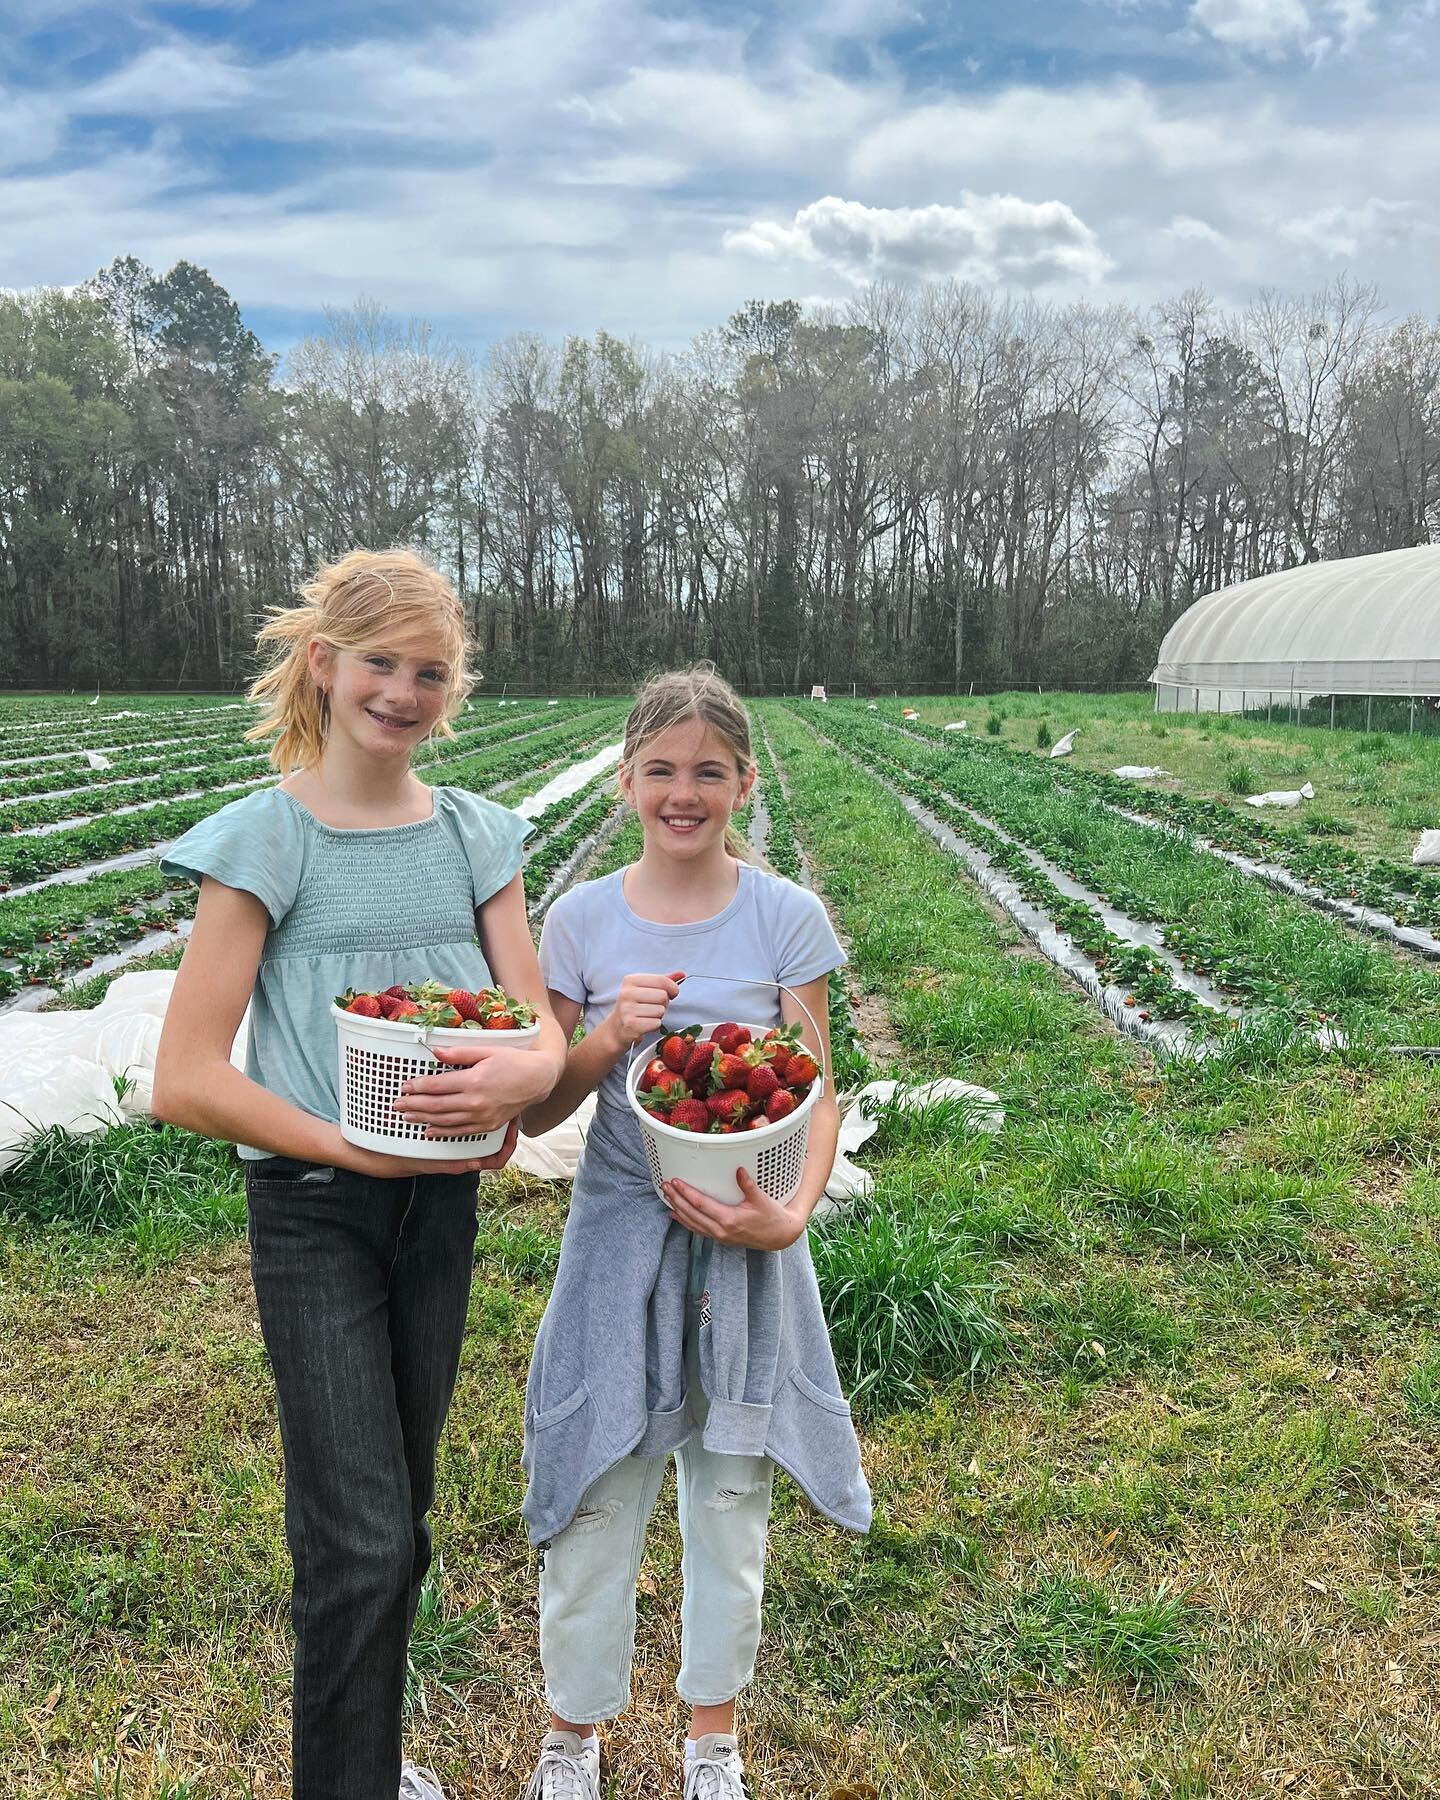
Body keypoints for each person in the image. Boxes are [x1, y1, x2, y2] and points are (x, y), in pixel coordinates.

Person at [152, 549, 567, 1800]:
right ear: (324, 666)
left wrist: (519, 1080)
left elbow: (537, 1029)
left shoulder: (477, 837)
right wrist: (351, 1145)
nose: (403, 689)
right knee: (363, 1544)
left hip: (437, 1208)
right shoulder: (267, 839)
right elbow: (183, 1077)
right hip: (317, 1210)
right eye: (379, 661)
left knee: (398, 1523)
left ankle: (368, 1769)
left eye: (430, 671)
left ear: (455, 690)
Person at [517, 666, 872, 1800]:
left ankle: (712, 1737)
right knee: (596, 1481)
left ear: (743, 783)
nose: (684, 792)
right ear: (626, 781)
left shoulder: (785, 916)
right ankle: (573, 1735)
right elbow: (539, 1107)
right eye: (661, 771)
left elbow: (814, 1089)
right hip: (618, 1235)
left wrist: (791, 1216)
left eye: (708, 772)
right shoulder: (579, 921)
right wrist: (606, 1034)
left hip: (751, 1237)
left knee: (731, 1491)